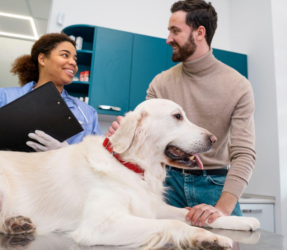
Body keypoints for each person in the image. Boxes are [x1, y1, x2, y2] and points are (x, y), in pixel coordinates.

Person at [107, 0, 256, 228]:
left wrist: (221, 208)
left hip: (215, 185)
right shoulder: (161, 82)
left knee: (227, 241)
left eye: (175, 31)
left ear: (199, 32)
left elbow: (244, 153)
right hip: (166, 184)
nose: (168, 39)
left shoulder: (238, 85)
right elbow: (148, 141)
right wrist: (127, 132)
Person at [0, 33, 102, 151]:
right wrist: (9, 128)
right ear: (42, 59)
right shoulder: (3, 98)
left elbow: (97, 160)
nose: (73, 63)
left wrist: (67, 154)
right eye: (65, 55)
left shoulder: (88, 113)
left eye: (75, 59)